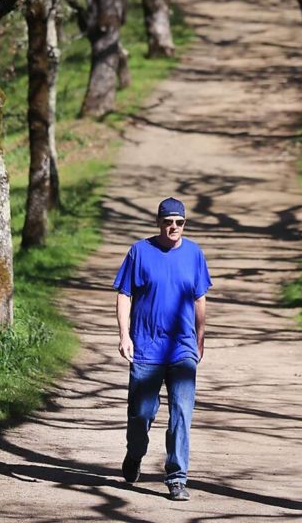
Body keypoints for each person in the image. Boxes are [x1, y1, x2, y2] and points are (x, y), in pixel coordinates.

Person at [113, 197, 212, 502]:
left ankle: (177, 476)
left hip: (182, 349)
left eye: (179, 222)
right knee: (141, 414)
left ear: (184, 224)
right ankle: (135, 453)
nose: (173, 227)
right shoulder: (139, 252)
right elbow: (124, 295)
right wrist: (124, 335)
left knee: (181, 414)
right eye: (168, 222)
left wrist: (200, 338)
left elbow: (199, 299)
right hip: (145, 348)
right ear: (158, 222)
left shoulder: (194, 254)